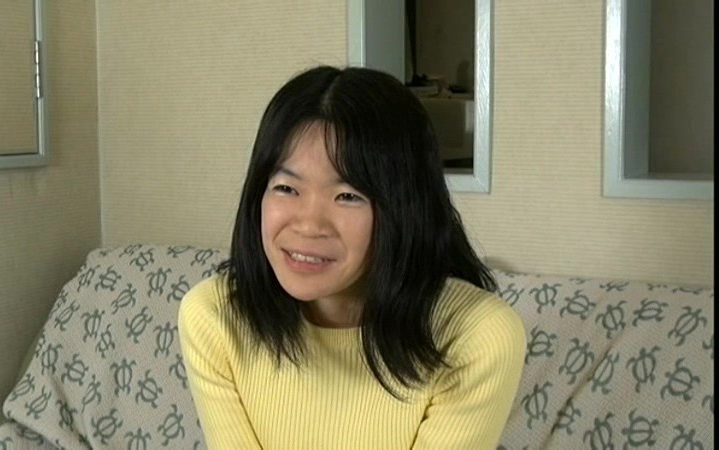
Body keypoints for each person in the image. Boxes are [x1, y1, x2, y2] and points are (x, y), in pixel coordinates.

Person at [178, 65, 526, 450]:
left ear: (404, 209)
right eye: (286, 188)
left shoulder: (476, 338)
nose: (309, 225)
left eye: (348, 196)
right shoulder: (214, 316)